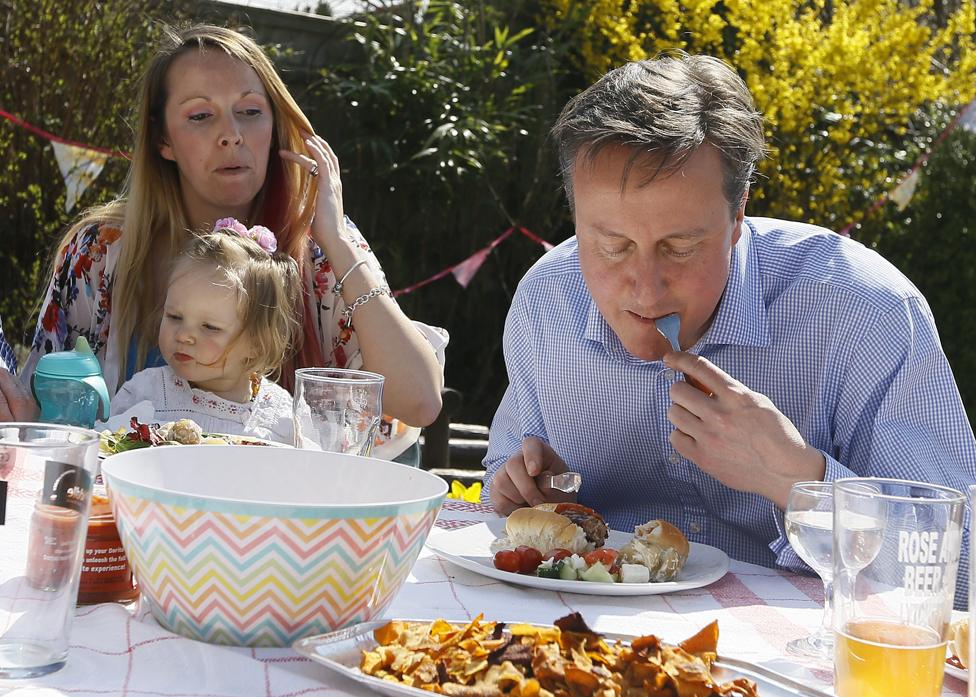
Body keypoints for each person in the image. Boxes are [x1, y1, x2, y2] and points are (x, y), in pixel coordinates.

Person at [482, 53, 976, 605]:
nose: (645, 290)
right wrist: (533, 492)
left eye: (680, 247)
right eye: (612, 246)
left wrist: (798, 483)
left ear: (738, 212)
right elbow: (500, 495)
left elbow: (956, 570)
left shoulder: (861, 309)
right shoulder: (547, 301)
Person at [0, 24, 445, 445]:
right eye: (200, 116)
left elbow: (419, 401)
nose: (231, 135)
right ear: (163, 140)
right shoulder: (101, 250)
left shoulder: (322, 248)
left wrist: (340, 242)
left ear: (274, 127)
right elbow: (40, 409)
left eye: (250, 112)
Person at [110, 221, 300, 444]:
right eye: (174, 317)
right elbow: (110, 454)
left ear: (257, 342)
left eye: (210, 327)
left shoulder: (279, 419)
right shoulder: (145, 394)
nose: (183, 335)